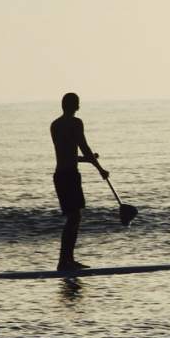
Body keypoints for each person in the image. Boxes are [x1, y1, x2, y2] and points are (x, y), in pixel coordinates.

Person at [51, 92, 108, 271]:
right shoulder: (76, 123)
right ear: (74, 105)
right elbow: (83, 146)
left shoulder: (55, 125)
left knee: (72, 217)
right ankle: (65, 261)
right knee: (74, 217)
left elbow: (66, 154)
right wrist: (100, 169)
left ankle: (66, 260)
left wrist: (89, 159)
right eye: (78, 103)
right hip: (69, 176)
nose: (79, 106)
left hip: (59, 175)